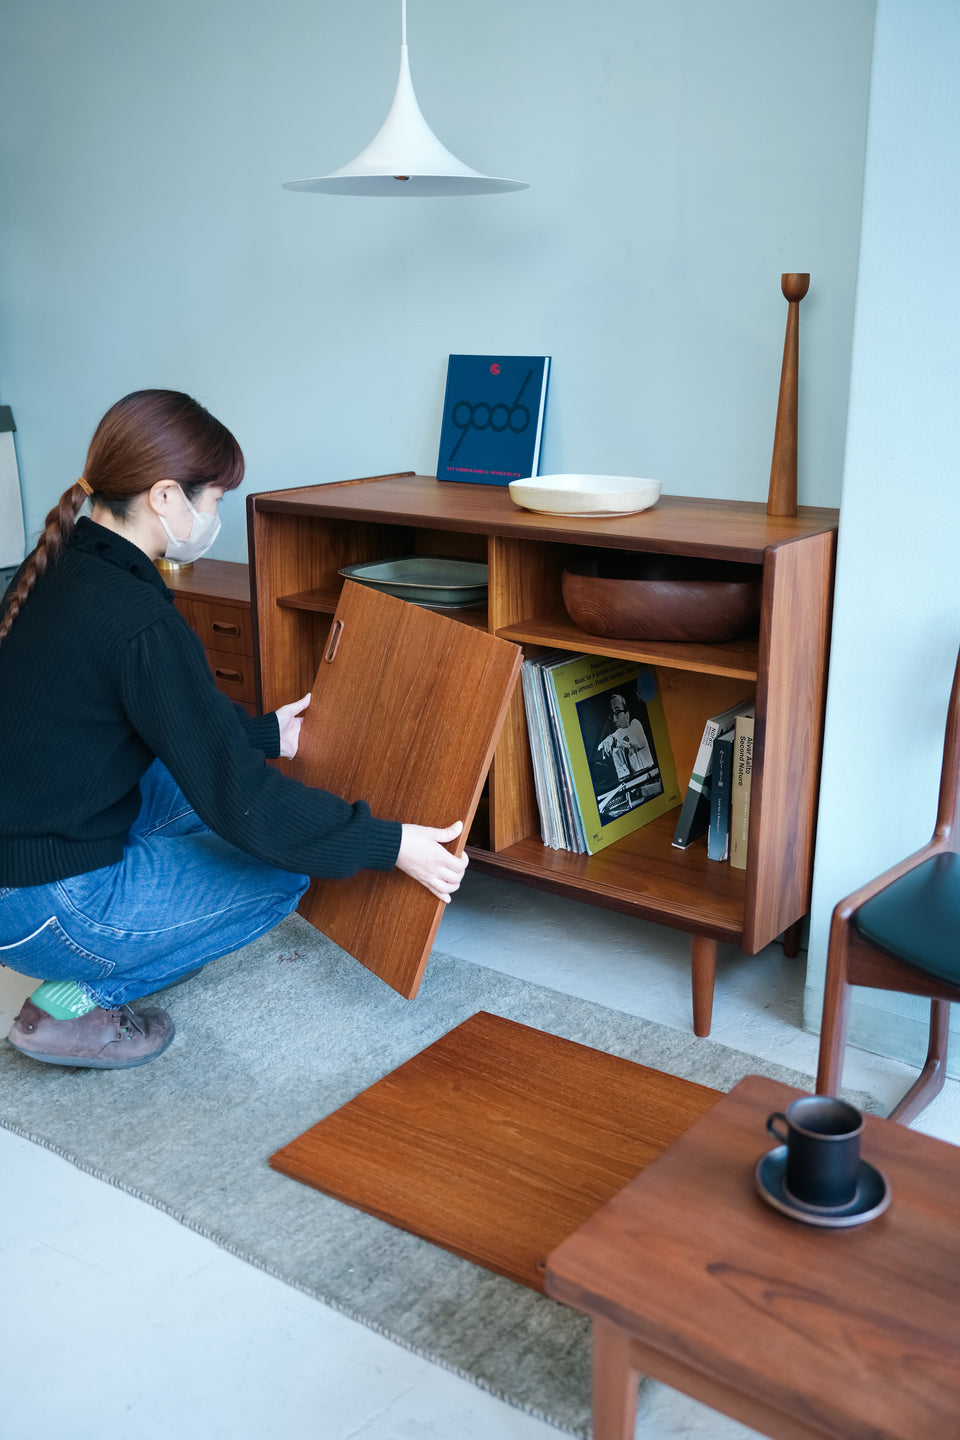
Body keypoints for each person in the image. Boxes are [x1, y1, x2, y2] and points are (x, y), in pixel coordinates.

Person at [0, 389, 467, 1070]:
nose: (214, 516)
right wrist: (387, 843)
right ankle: (73, 1003)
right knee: (280, 875)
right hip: (46, 903)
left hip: (23, 860)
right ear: (165, 497)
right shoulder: (138, 618)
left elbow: (161, 726)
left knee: (183, 784)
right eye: (214, 499)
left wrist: (266, 734)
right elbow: (242, 802)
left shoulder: (66, 563)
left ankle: (100, 948)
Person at [596, 692, 655, 780]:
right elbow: (623, 777)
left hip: (651, 781)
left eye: (617, 712)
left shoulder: (636, 725)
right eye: (611, 714)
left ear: (627, 715)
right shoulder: (616, 747)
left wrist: (611, 739)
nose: (614, 719)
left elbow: (626, 736)